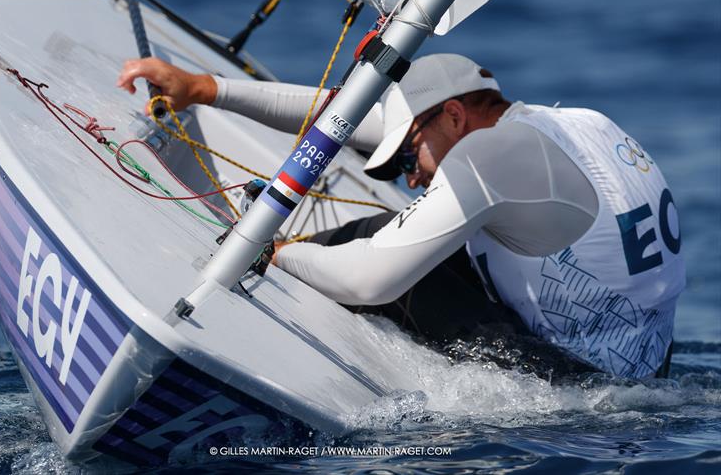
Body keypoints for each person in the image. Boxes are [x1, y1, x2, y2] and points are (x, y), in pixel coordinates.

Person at [117, 54, 685, 380]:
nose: (409, 177)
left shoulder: (492, 157)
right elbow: (341, 119)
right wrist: (205, 89)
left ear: (456, 116)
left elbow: (371, 280)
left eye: (408, 159)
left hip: (578, 391)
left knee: (374, 248)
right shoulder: (570, 124)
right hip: (648, 369)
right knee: (379, 236)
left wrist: (275, 252)